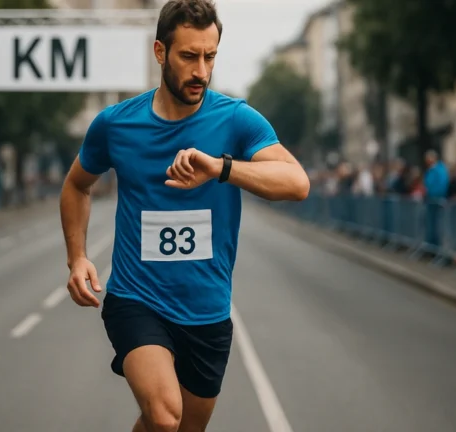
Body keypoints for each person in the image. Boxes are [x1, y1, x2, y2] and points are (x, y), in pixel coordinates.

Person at [58, 1, 310, 431]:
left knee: (181, 428)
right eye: (189, 56)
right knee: (164, 415)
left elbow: (297, 183)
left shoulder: (235, 120)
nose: (201, 71)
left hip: (207, 310)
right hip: (137, 299)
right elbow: (76, 185)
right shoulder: (116, 125)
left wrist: (220, 167)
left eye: (210, 56)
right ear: (160, 52)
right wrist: (77, 257)